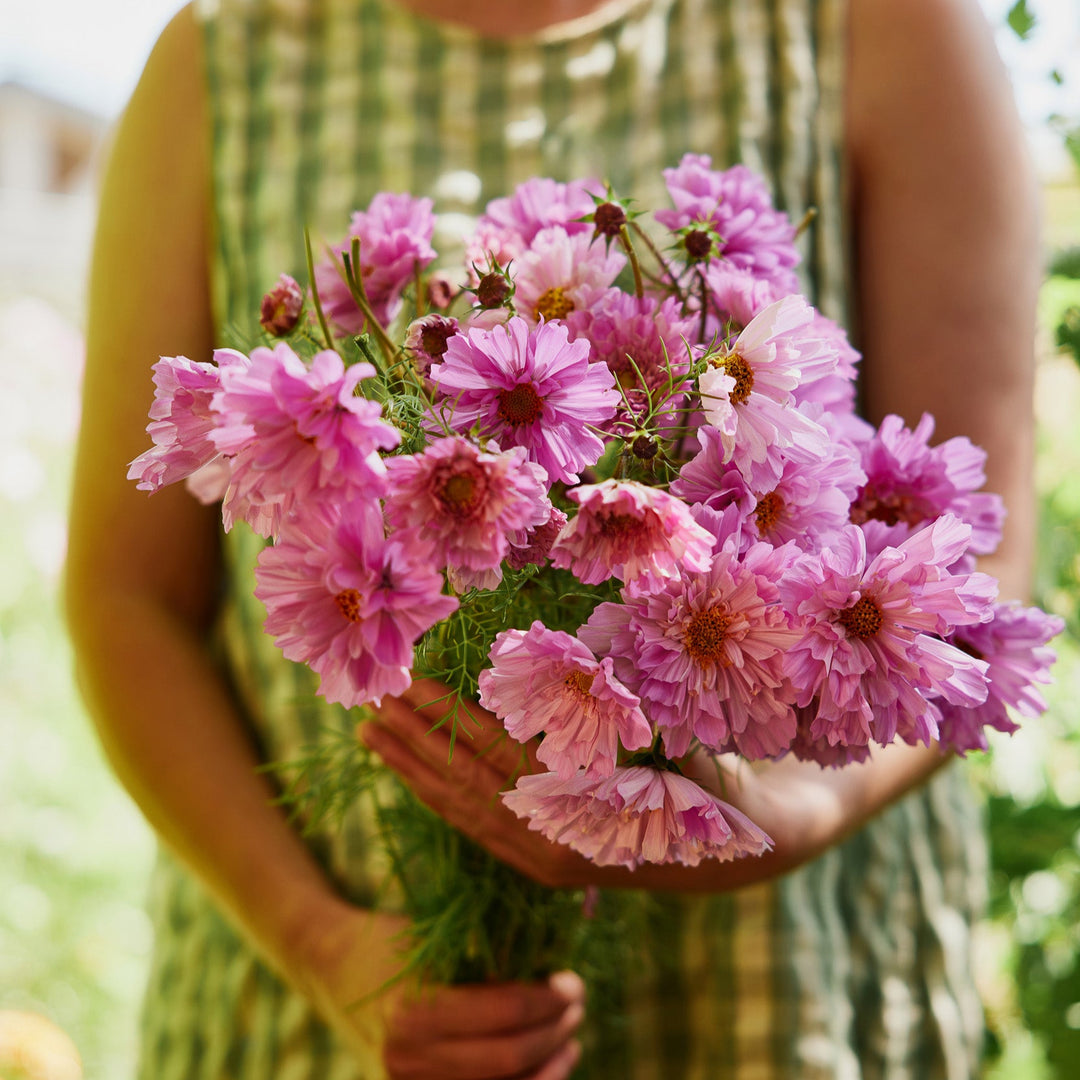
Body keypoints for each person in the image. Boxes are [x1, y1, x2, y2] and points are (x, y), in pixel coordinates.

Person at [65, 0, 1039, 1077]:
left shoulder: (872, 25)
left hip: (764, 990)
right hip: (338, 987)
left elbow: (976, 572)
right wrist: (320, 946)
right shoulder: (227, 54)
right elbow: (124, 597)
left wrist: (789, 813)